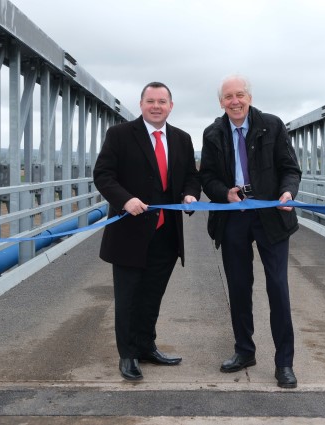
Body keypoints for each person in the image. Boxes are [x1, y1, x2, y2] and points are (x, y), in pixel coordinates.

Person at [199, 75, 302, 388]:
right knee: (239, 288)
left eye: (240, 95)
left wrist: (287, 193)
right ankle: (244, 351)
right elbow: (207, 177)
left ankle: (284, 363)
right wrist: (223, 193)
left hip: (271, 216)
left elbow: (290, 169)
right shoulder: (213, 133)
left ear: (249, 97)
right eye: (228, 96)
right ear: (221, 102)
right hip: (234, 218)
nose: (235, 101)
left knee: (278, 289)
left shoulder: (272, 125)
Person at [93, 81, 200, 381]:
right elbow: (103, 174)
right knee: (128, 297)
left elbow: (192, 177)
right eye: (150, 101)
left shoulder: (182, 138)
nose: (156, 106)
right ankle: (127, 355)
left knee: (152, 295)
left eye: (162, 101)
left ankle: (145, 346)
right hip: (129, 233)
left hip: (166, 234)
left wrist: (190, 195)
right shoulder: (120, 135)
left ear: (171, 106)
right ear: (141, 104)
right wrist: (125, 200)